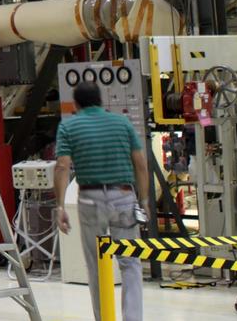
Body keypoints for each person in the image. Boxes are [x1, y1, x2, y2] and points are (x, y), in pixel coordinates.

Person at [54, 80, 148, 321]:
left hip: (90, 200)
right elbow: (140, 164)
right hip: (124, 197)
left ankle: (103, 317)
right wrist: (144, 201)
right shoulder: (122, 122)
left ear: (75, 103)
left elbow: (63, 166)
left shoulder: (69, 126)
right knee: (130, 263)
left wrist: (60, 206)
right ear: (101, 100)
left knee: (97, 266)